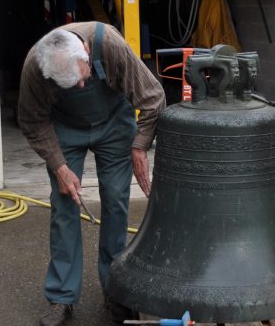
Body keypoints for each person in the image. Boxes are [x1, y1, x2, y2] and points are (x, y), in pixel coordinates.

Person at [18, 21, 166, 326]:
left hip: (113, 123)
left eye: (82, 79)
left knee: (115, 199)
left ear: (86, 52)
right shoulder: (36, 65)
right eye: (71, 85)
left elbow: (153, 97)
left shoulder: (109, 44)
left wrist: (140, 146)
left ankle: (115, 289)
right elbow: (32, 120)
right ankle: (61, 297)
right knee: (64, 206)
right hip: (64, 129)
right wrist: (59, 166)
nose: (81, 87)